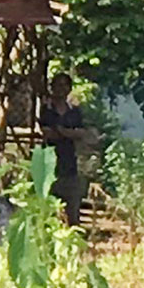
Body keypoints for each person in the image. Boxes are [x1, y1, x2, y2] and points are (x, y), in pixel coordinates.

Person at [39, 74, 94, 225]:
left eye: (64, 86)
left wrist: (61, 131)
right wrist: (68, 133)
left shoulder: (74, 111)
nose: (61, 89)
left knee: (73, 210)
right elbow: (46, 132)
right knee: (48, 210)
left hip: (70, 163)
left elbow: (81, 133)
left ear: (69, 89)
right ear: (52, 88)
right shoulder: (46, 110)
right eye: (58, 85)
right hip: (49, 164)